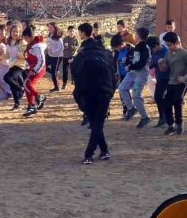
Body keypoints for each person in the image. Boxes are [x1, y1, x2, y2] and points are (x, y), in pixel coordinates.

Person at [71, 22, 118, 164]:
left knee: (95, 122)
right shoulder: (106, 53)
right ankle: (104, 150)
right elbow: (113, 75)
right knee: (97, 122)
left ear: (83, 34)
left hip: (87, 91)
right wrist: (111, 92)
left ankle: (88, 154)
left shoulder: (81, 55)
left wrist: (79, 96)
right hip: (105, 90)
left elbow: (76, 76)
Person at [161, 32, 187, 136]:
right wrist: (160, 64)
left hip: (183, 82)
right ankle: (170, 125)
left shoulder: (184, 53)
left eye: (170, 45)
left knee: (177, 101)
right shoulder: (168, 53)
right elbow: (164, 68)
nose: (169, 47)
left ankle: (179, 124)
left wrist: (184, 77)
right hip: (172, 81)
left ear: (176, 42)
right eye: (167, 45)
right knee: (166, 102)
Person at [119, 27, 151, 128]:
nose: (135, 35)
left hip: (141, 74)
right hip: (132, 72)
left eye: (136, 34)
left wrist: (131, 66)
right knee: (122, 88)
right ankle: (130, 108)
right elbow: (134, 59)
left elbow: (141, 63)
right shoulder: (137, 46)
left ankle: (145, 117)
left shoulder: (145, 47)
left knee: (136, 95)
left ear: (140, 35)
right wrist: (128, 62)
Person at [22, 26, 48, 117]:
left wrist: (34, 70)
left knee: (28, 84)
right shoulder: (32, 45)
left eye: (25, 38)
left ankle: (39, 97)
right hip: (33, 68)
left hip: (39, 68)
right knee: (27, 85)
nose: (25, 40)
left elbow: (41, 61)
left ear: (30, 36)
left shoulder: (37, 46)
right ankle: (31, 105)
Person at [4, 29, 28, 110]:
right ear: (10, 32)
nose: (15, 33)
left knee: (7, 78)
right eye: (13, 31)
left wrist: (19, 54)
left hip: (19, 66)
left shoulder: (22, 42)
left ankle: (21, 88)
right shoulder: (9, 42)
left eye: (17, 32)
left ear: (20, 33)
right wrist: (2, 56)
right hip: (11, 65)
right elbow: (7, 55)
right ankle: (17, 104)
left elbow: (26, 55)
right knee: (12, 86)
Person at [149, 36, 169, 127]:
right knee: (157, 97)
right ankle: (162, 117)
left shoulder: (166, 52)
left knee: (164, 98)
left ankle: (166, 118)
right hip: (159, 77)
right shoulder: (154, 52)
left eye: (153, 48)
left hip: (167, 78)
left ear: (157, 45)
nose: (152, 50)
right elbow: (153, 62)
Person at [45, 22, 64, 92]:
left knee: (53, 72)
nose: (49, 29)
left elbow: (61, 47)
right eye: (49, 27)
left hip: (57, 56)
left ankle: (57, 87)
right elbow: (48, 44)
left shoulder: (58, 37)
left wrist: (53, 50)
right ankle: (55, 72)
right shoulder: (49, 35)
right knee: (43, 67)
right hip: (49, 55)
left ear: (55, 28)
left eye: (51, 27)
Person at [61, 25, 78, 89]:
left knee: (73, 71)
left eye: (73, 31)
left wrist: (72, 47)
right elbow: (62, 48)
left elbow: (77, 48)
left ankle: (74, 84)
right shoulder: (65, 39)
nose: (71, 32)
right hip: (65, 57)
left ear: (75, 32)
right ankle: (64, 83)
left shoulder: (76, 39)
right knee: (65, 71)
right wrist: (65, 46)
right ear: (68, 32)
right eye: (70, 31)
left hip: (72, 57)